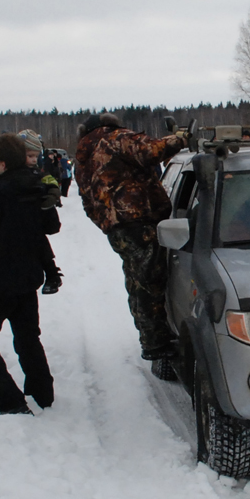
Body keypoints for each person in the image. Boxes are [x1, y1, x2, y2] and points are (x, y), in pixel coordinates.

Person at [0, 134, 62, 414]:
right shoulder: (35, 187)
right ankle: (43, 394)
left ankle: (11, 400)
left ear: (3, 163)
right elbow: (51, 226)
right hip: (26, 277)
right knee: (28, 338)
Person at [74, 111, 187, 362]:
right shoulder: (113, 139)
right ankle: (155, 343)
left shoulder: (82, 158)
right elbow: (151, 150)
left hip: (118, 228)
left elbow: (87, 201)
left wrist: (107, 222)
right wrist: (181, 138)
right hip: (138, 219)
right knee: (149, 281)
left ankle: (149, 336)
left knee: (137, 280)